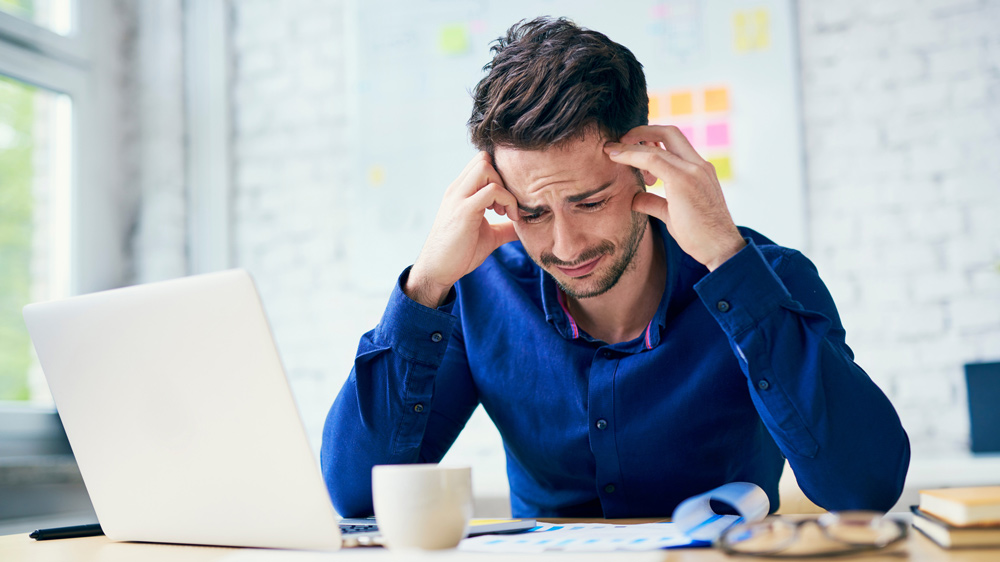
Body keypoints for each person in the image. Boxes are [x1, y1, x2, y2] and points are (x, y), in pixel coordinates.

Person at [321, 17, 909, 518]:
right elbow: (356, 494)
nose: (566, 244)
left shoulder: (765, 279)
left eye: (590, 202)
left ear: (645, 167)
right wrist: (425, 285)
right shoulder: (480, 293)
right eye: (532, 212)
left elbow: (863, 488)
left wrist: (728, 260)